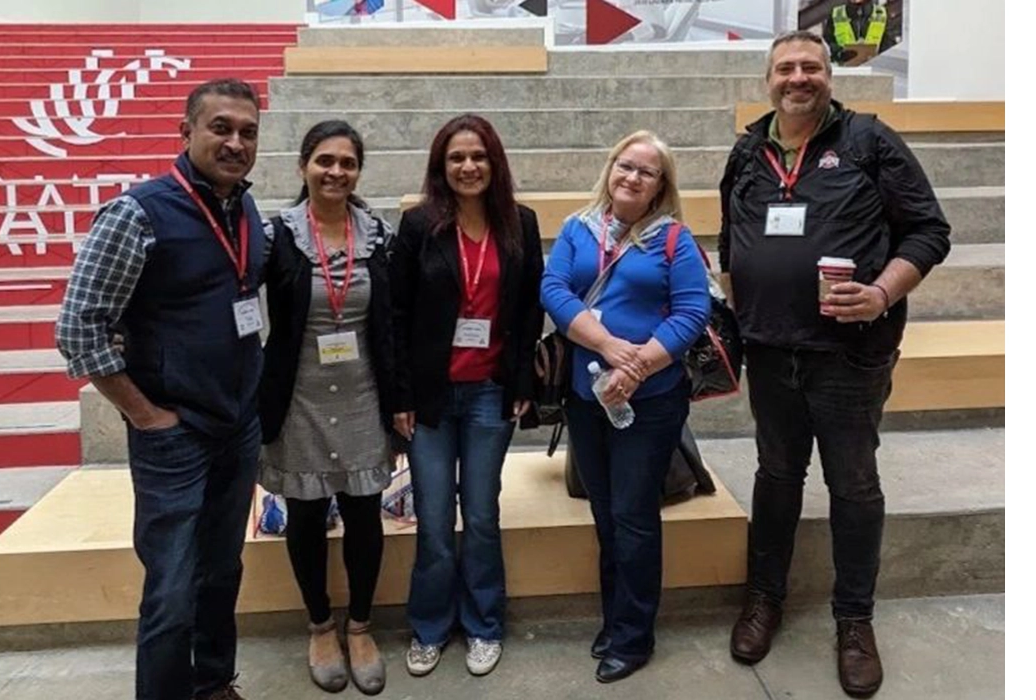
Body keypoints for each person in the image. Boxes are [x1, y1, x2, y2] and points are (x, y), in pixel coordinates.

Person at [717, 31, 952, 698]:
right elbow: (731, 238)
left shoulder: (869, 141)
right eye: (786, 68)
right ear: (768, 79)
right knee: (776, 475)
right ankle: (764, 600)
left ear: (829, 75)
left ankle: (854, 621)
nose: (799, 78)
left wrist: (881, 293)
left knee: (852, 485)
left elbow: (930, 230)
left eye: (811, 67)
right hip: (769, 350)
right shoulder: (748, 151)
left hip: (849, 356)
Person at [53, 77, 267, 700]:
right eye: (220, 127)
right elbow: (77, 326)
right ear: (186, 132)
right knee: (172, 588)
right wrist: (144, 414)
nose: (234, 142)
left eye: (247, 132)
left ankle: (213, 685)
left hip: (236, 426)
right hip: (173, 436)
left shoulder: (244, 208)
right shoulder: (138, 212)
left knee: (222, 572)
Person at [539, 130, 710, 684]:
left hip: (650, 402)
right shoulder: (577, 228)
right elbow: (555, 290)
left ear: (662, 185)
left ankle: (634, 636)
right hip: (587, 398)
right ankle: (615, 618)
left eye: (646, 172)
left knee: (634, 517)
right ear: (610, 169)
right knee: (604, 510)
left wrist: (635, 369)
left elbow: (690, 313)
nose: (632, 178)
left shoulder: (673, 239)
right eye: (625, 166)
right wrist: (608, 347)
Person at [385, 113, 545, 679]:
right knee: (432, 518)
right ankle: (429, 628)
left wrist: (522, 380)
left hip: (489, 394)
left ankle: (483, 624)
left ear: (494, 162)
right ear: (441, 167)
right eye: (456, 158)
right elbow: (396, 315)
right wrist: (400, 393)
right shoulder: (417, 225)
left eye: (478, 156)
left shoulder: (519, 223)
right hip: (430, 397)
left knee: (479, 514)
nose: (468, 166)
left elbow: (529, 311)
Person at [257, 120, 400, 696]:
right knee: (307, 515)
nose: (335, 172)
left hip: (364, 393)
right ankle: (320, 626)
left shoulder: (379, 235)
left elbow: (388, 324)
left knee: (365, 513)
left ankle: (360, 626)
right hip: (299, 397)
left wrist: (401, 401)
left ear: (358, 171)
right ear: (303, 167)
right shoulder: (278, 236)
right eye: (324, 161)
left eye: (347, 162)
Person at [803, 0, 902, 64]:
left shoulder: (882, 14)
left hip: (874, 70)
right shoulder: (837, 13)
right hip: (843, 70)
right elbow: (827, 41)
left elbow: (889, 43)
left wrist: (877, 58)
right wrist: (839, 53)